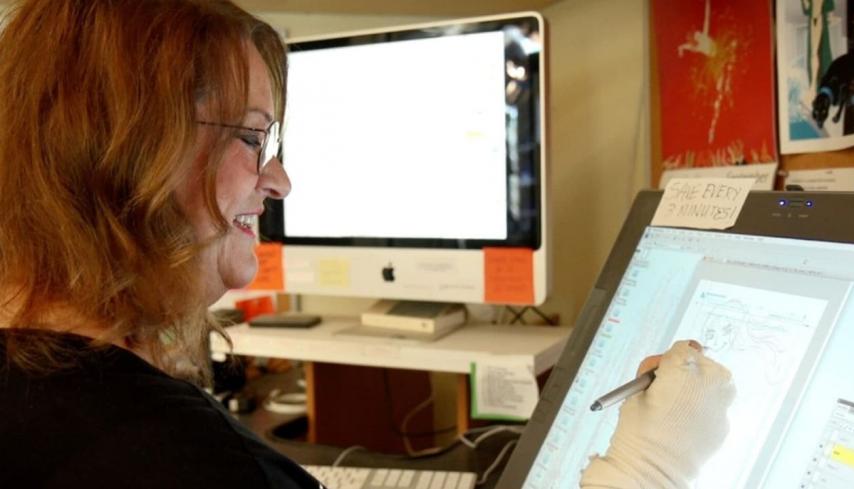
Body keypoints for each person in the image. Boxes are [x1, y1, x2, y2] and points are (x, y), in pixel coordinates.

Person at [0, 1, 734, 488]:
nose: (279, 180)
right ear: (130, 156)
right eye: (253, 138)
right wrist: (650, 464)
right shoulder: (167, 459)